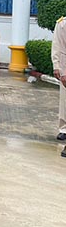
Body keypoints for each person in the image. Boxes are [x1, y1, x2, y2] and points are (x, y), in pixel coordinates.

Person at [52, 16, 66, 156]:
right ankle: (64, 129)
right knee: (65, 102)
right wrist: (57, 67)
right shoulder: (63, 24)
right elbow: (58, 46)